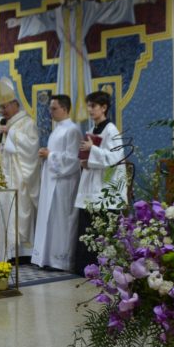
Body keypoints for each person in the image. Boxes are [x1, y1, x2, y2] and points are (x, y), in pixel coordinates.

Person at [5, 0, 157, 122]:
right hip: (65, 55)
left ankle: (83, 120)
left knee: (82, 87)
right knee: (64, 87)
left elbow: (109, 8)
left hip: (79, 53)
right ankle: (65, 118)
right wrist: (18, 22)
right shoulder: (58, 13)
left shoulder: (88, 8)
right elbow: (40, 19)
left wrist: (139, 0)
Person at [73, 90, 127, 275]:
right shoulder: (92, 130)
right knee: (87, 228)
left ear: (104, 107)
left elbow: (116, 158)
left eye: (93, 106)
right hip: (91, 182)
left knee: (102, 230)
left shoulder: (111, 130)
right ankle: (86, 267)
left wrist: (93, 149)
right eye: (88, 105)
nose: (90, 109)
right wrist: (84, 160)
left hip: (106, 186)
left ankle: (103, 267)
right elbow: (92, 156)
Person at [31, 95, 82, 271]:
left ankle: (61, 260)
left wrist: (50, 155)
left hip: (64, 184)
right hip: (52, 181)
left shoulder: (73, 130)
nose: (50, 112)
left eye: (54, 108)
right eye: (50, 108)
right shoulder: (57, 129)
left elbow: (73, 160)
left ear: (65, 109)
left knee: (62, 221)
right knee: (50, 219)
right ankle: (48, 258)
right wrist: (47, 154)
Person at [0, 77, 41, 254]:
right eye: (1, 107)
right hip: (7, 175)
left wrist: (11, 134)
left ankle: (25, 250)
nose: (2, 111)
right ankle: (10, 249)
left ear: (15, 104)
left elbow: (32, 146)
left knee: (22, 210)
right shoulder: (8, 124)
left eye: (4, 107)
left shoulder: (27, 123)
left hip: (21, 177)